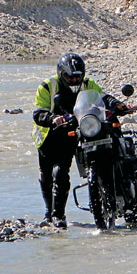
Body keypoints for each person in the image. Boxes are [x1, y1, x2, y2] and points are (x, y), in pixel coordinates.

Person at [31, 52, 102, 228]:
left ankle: (58, 215)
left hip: (75, 132)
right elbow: (38, 113)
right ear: (61, 74)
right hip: (49, 135)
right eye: (69, 77)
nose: (73, 80)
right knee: (46, 175)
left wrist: (114, 107)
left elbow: (102, 99)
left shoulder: (89, 84)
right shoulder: (47, 87)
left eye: (77, 77)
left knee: (61, 173)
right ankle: (48, 212)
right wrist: (52, 118)